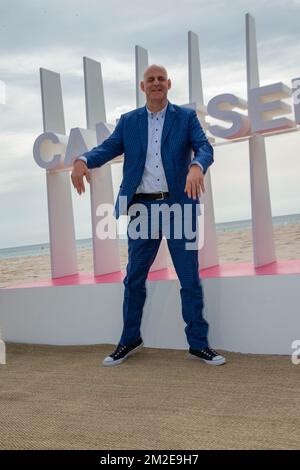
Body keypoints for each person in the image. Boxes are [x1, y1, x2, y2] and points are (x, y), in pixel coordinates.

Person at [71, 64, 226, 367]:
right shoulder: (129, 122)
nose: (156, 84)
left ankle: (198, 344)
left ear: (169, 84)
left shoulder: (186, 117)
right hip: (142, 209)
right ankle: (129, 340)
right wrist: (82, 159)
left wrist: (197, 166)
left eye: (160, 79)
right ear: (142, 87)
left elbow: (204, 147)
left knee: (189, 278)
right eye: (150, 80)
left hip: (179, 206)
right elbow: (108, 148)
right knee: (134, 279)